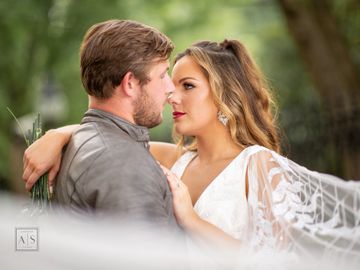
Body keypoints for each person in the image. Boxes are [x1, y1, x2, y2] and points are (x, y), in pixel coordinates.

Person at [23, 39, 360, 260]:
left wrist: (192, 219)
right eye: (171, 84)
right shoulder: (174, 158)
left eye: (188, 86)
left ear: (225, 96)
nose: (172, 96)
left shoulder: (259, 165)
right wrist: (56, 134)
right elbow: (108, 132)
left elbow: (271, 262)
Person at [25, 19, 181, 231]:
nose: (170, 87)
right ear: (130, 83)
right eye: (163, 75)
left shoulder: (82, 141)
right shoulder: (127, 165)